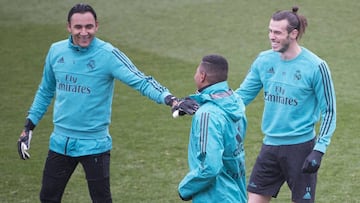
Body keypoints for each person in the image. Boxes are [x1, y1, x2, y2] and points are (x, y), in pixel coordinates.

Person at [16, 3, 198, 203]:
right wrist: (28, 127)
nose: (84, 32)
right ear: (69, 27)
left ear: (97, 26)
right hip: (60, 142)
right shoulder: (55, 51)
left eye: (89, 27)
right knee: (48, 198)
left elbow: (141, 80)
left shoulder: (108, 54)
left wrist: (171, 100)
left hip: (95, 146)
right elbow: (45, 91)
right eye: (78, 27)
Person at [235, 6, 336, 203]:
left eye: (277, 32)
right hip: (270, 146)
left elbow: (329, 111)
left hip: (301, 148)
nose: (271, 36)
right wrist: (205, 101)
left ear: (293, 33)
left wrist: (319, 150)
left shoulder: (316, 67)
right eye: (270, 31)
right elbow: (240, 97)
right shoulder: (263, 61)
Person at [178, 54, 248, 203]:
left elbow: (210, 167)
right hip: (237, 194)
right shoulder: (236, 102)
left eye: (197, 71)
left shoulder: (207, 114)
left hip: (216, 197)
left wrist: (185, 188)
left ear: (202, 76)